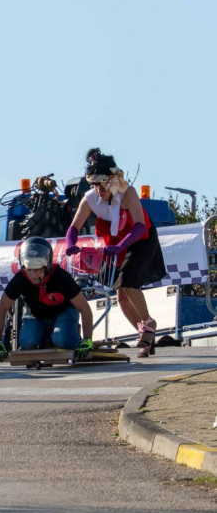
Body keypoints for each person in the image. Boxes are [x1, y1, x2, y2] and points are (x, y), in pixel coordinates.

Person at [65, 149, 166, 358]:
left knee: (128, 282)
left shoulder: (128, 193)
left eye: (101, 185)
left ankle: (149, 323)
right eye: (93, 185)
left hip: (141, 239)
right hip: (117, 241)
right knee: (120, 293)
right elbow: (73, 228)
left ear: (111, 182)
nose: (97, 190)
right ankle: (144, 332)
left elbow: (139, 227)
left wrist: (121, 247)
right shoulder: (90, 198)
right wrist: (70, 244)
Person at [0, 237, 95, 361]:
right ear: (24, 266)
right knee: (27, 343)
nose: (33, 275)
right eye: (29, 270)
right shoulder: (20, 279)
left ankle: (71, 335)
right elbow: (1, 308)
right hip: (35, 316)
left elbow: (84, 308)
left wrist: (87, 340)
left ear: (47, 267)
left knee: (63, 340)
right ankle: (46, 338)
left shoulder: (61, 277)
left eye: (38, 270)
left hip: (63, 313)